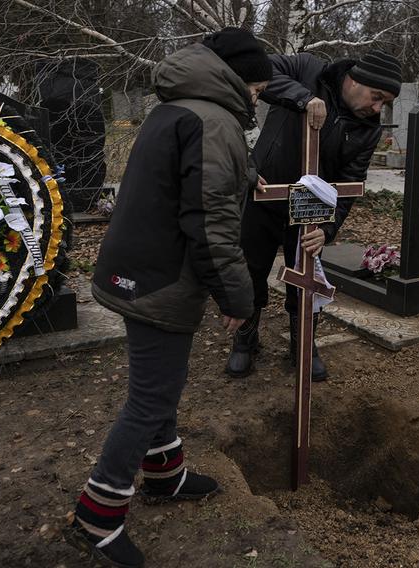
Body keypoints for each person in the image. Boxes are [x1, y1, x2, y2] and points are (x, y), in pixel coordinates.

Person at [64, 28, 271, 568]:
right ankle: (97, 515)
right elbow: (210, 223)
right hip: (163, 278)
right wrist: (237, 299)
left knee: (162, 382)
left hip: (136, 268)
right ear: (237, 78)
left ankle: (163, 473)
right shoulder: (215, 121)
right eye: (257, 88)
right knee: (151, 396)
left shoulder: (176, 110)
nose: (257, 99)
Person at [225, 49, 402, 381]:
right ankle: (245, 340)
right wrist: (304, 97)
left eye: (386, 102)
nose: (378, 108)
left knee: (307, 279)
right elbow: (260, 72)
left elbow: (351, 184)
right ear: (353, 80)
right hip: (265, 191)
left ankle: (303, 343)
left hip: (310, 211)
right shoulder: (308, 70)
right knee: (251, 267)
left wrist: (329, 229)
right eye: (377, 97)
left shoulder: (367, 130)